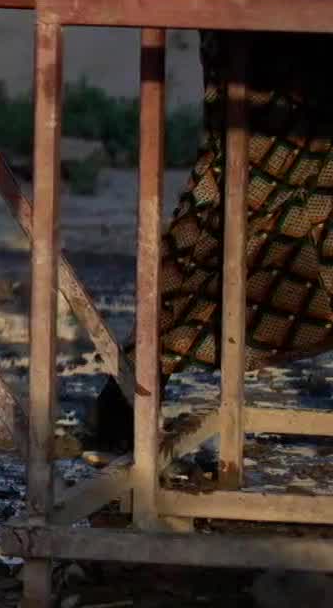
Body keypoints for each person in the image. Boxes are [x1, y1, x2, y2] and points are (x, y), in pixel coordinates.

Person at [93, 30, 333, 448]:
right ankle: (139, 377)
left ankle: (137, 379)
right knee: (242, 185)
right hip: (273, 12)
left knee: (241, 190)